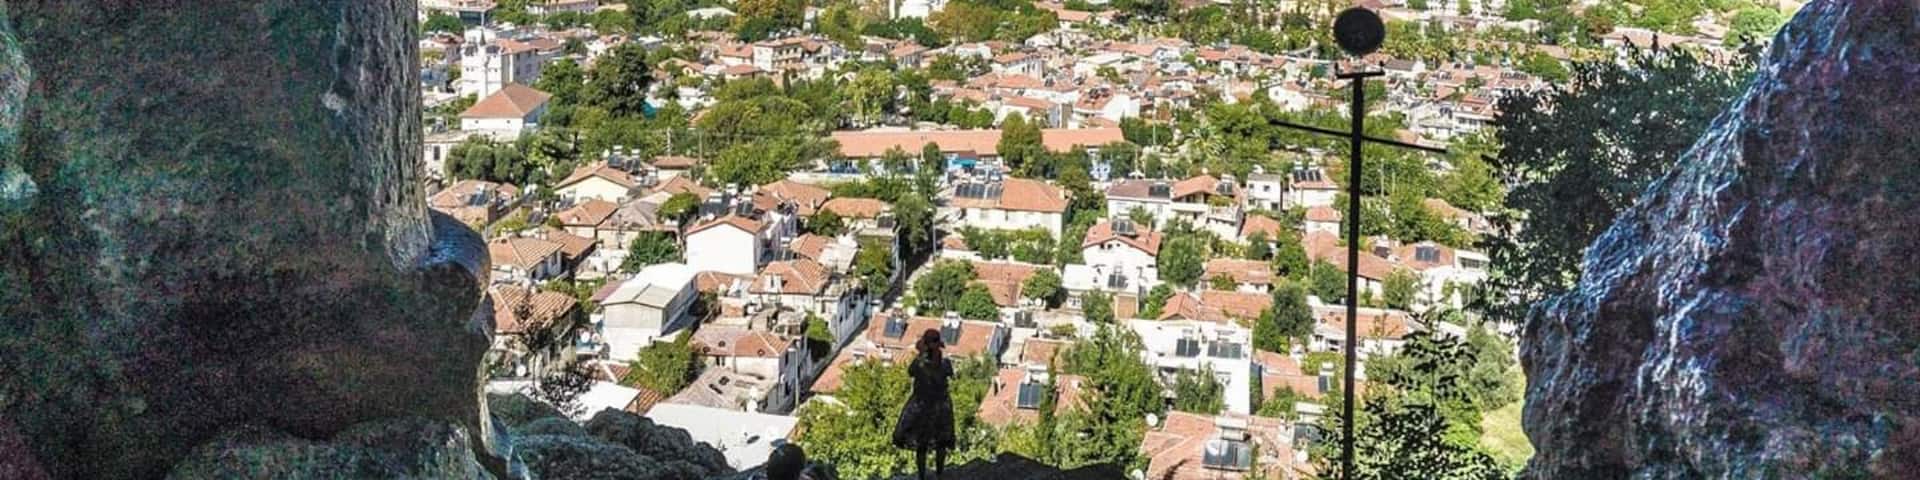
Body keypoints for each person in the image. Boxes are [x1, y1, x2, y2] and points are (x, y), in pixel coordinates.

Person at [893, 329, 955, 480]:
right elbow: (948, 375)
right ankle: (939, 473)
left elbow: (911, 372)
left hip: (923, 406)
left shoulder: (919, 364)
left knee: (922, 443)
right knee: (941, 441)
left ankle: (922, 476)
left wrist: (921, 354)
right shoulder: (945, 364)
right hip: (941, 406)